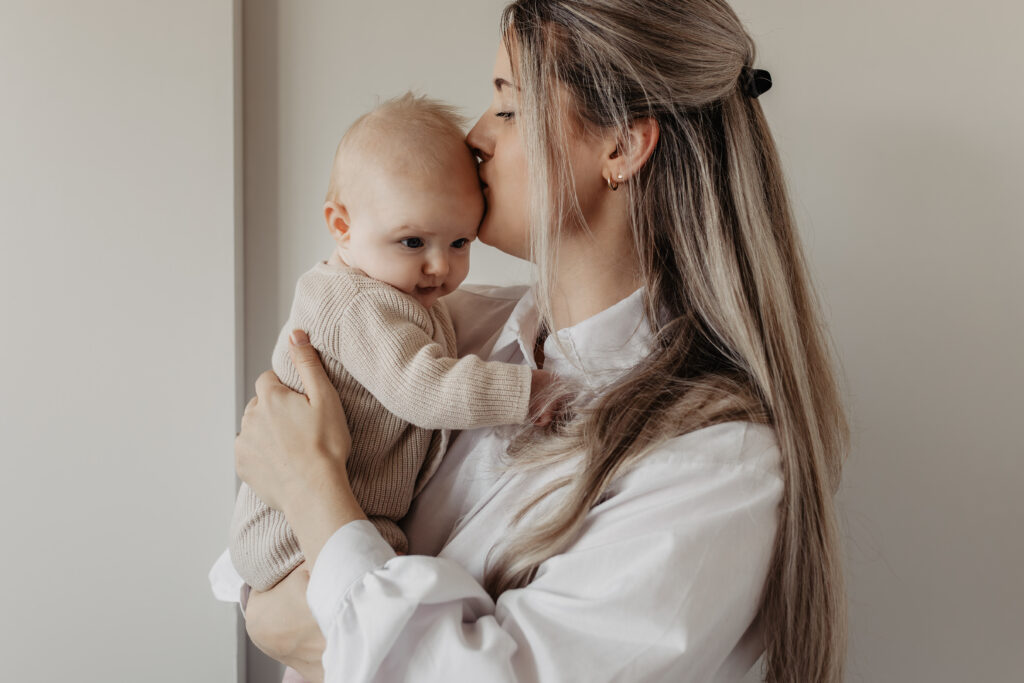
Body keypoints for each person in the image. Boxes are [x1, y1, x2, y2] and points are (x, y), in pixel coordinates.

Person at [212, 1, 849, 681]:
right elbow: (251, 582)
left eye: (509, 109)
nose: (475, 138)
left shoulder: (717, 460)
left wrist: (313, 490)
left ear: (622, 147)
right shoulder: (450, 332)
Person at [228, 93, 562, 594]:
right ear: (341, 226)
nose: (440, 267)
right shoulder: (358, 304)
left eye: (459, 243)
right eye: (413, 243)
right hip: (293, 535)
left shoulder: (401, 296)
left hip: (333, 522)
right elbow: (423, 388)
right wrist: (530, 393)